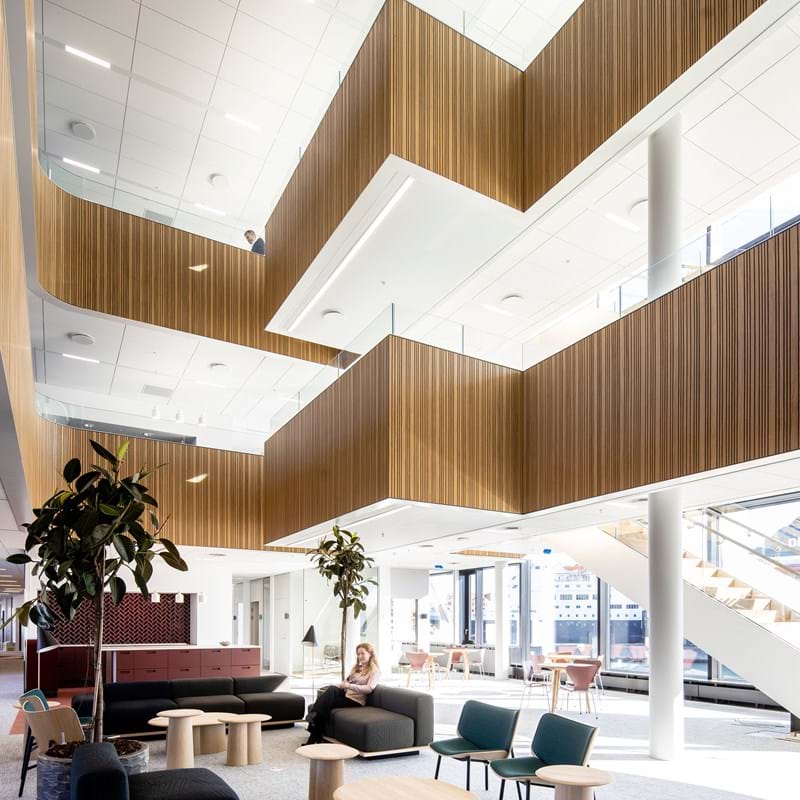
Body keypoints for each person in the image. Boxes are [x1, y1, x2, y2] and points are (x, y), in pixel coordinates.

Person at [304, 642, 379, 745]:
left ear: (370, 654)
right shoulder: (357, 668)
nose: (360, 656)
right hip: (346, 695)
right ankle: (315, 734)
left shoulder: (374, 671)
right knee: (331, 690)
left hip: (355, 701)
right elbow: (347, 681)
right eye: (358, 654)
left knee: (324, 707)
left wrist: (349, 686)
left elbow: (369, 688)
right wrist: (342, 684)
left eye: (362, 653)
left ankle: (313, 729)